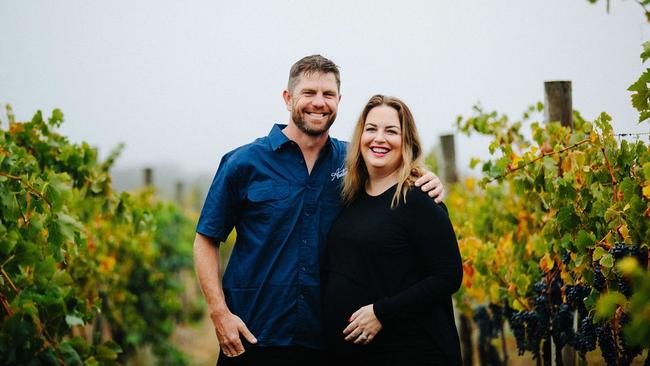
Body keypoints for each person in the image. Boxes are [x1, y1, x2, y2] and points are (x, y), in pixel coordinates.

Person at [193, 55, 445, 366]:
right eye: (309, 93)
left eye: (328, 94)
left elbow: (391, 170)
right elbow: (206, 239)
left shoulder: (352, 163)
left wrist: (425, 177)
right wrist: (219, 313)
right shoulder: (244, 163)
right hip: (251, 335)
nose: (319, 103)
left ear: (339, 100)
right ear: (288, 98)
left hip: (324, 341)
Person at [322, 95, 463, 366]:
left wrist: (382, 313)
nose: (379, 138)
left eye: (391, 131)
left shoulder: (418, 199)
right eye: (371, 129)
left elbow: (448, 276)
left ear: (406, 141)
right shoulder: (351, 199)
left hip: (411, 351)